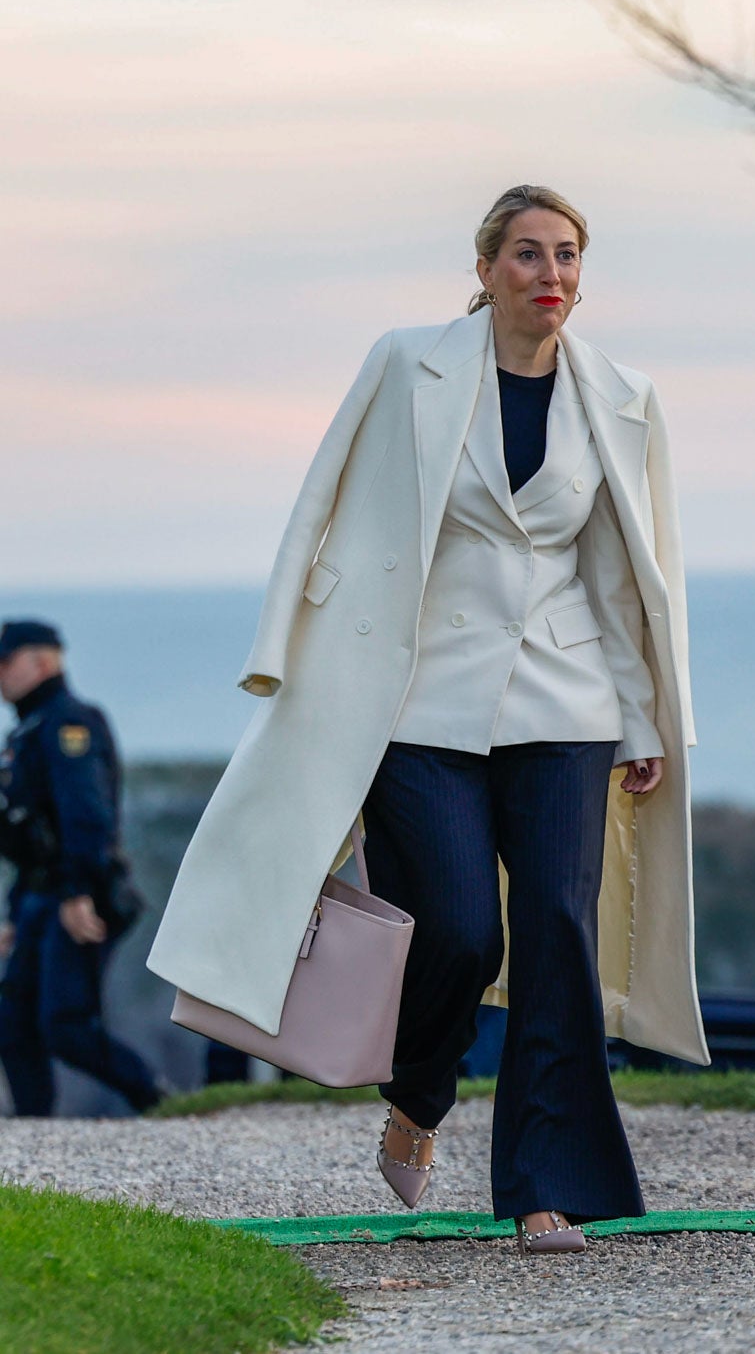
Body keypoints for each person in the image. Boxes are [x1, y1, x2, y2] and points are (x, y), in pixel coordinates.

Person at [148, 184, 709, 1255]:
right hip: (417, 705)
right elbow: (320, 499)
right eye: (528, 255)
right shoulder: (408, 363)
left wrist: (639, 718)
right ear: (488, 267)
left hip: (566, 700)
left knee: (555, 931)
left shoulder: (623, 396)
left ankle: (548, 1187)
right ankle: (418, 1094)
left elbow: (622, 573)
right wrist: (281, 656)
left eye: (569, 256)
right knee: (453, 929)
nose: (551, 274)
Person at [0, 620, 161, 1116]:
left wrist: (76, 894)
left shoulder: (70, 723)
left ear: (43, 662)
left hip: (79, 896)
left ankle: (156, 1102)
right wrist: (13, 911)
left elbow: (85, 819)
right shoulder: (31, 730)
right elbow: (32, 838)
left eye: (6, 663)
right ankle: (32, 1136)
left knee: (66, 1025)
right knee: (11, 1017)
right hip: (40, 896)